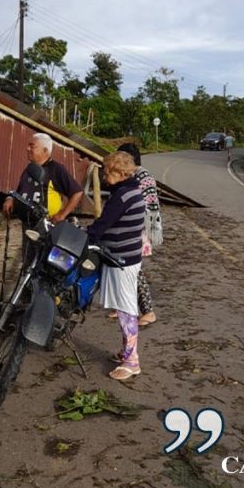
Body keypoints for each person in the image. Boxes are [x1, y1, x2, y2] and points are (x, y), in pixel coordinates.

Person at [86, 151, 146, 381]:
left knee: (126, 310)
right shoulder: (131, 191)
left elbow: (101, 225)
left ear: (121, 173)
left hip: (122, 260)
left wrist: (86, 235)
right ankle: (126, 352)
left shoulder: (122, 195)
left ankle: (132, 362)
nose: (103, 175)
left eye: (107, 171)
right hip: (126, 257)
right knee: (124, 307)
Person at [117, 143, 162, 326]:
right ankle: (122, 306)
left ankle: (148, 311)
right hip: (127, 229)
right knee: (121, 269)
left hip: (139, 230)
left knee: (135, 272)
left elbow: (147, 208)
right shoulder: (129, 175)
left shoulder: (144, 177)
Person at [1, 133, 84, 225]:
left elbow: (77, 192)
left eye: (32, 146)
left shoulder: (56, 169)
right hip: (27, 225)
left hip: (47, 227)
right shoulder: (29, 169)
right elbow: (20, 192)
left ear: (45, 150)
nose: (27, 148)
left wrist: (62, 214)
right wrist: (10, 199)